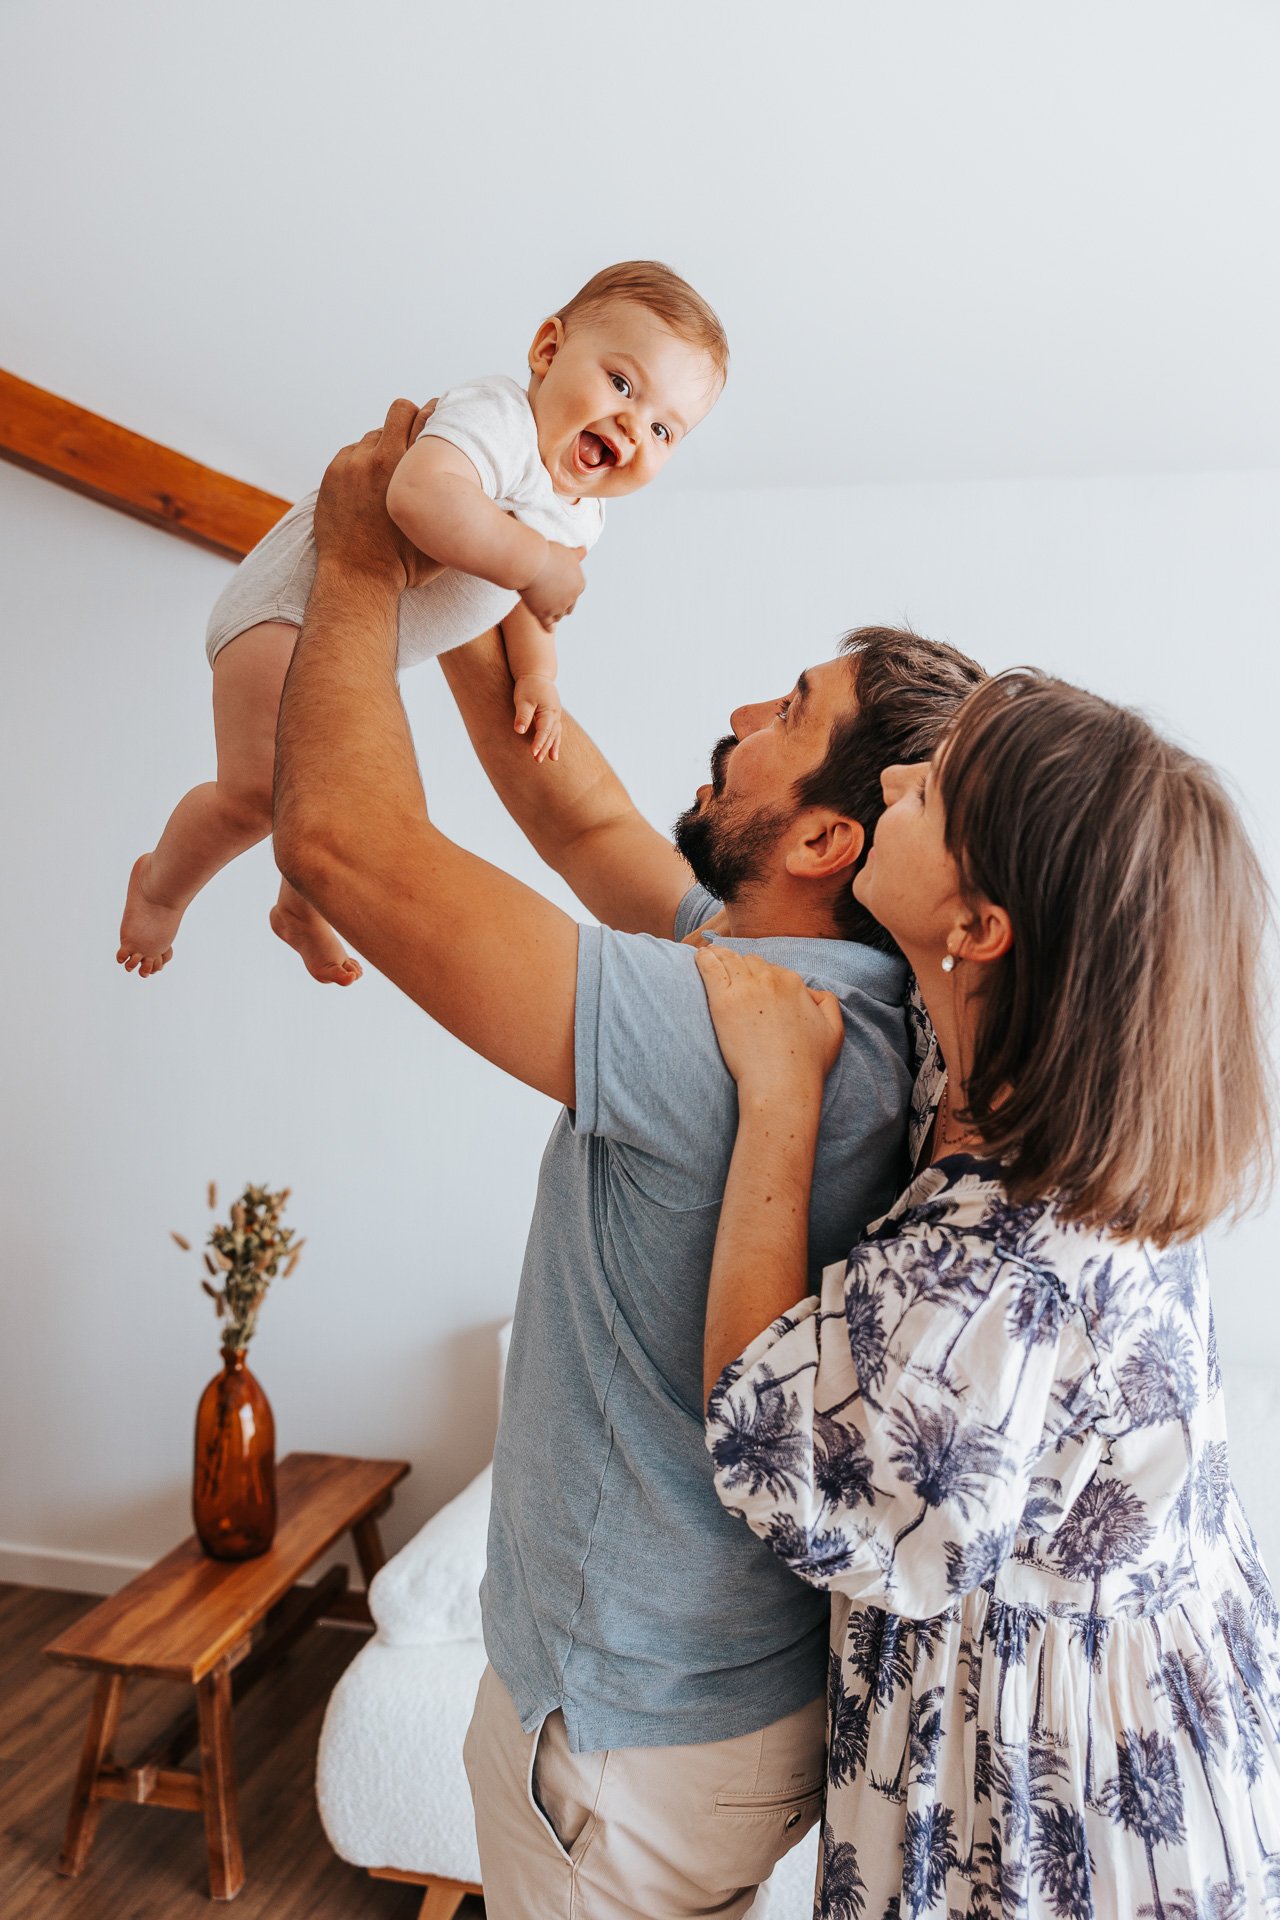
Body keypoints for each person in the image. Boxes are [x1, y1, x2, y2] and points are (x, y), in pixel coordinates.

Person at [270, 400, 985, 1918]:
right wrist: (450, 549)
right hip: (693, 1712)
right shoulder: (800, 991)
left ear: (821, 844)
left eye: (787, 712)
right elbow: (572, 805)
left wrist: (348, 548)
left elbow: (342, 842)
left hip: (621, 1744)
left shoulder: (749, 1027)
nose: (739, 714)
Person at [697, 671, 1280, 1919]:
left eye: (932, 788)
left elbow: (766, 1436)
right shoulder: (1023, 1082)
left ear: (977, 926)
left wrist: (779, 1100)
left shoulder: (1000, 1253)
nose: (894, 778)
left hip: (1053, 1804)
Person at [117, 261, 726, 984]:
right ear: (548, 350)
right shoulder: (497, 419)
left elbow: (525, 602)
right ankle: (159, 886)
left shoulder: (583, 512)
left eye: (664, 428)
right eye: (622, 384)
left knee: (347, 797)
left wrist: (539, 673)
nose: (633, 425)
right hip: (282, 618)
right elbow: (419, 497)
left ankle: (300, 907)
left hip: (354, 648)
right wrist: (535, 563)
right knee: (254, 793)